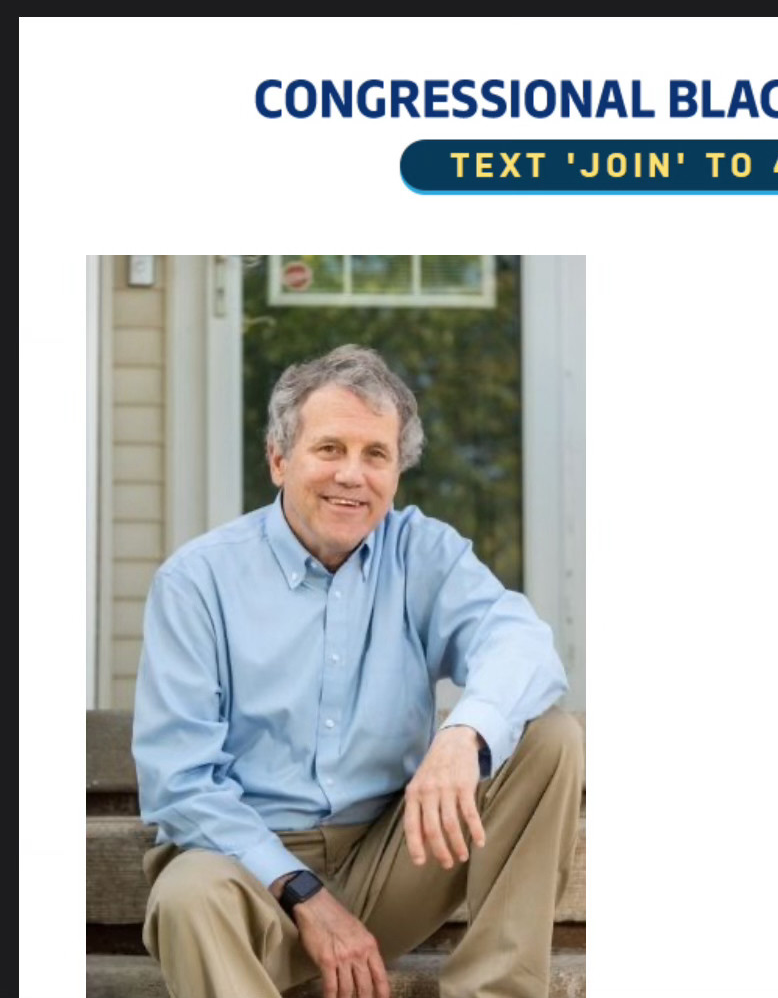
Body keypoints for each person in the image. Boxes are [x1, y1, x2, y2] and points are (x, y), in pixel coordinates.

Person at [131, 343, 583, 998]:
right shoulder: (197, 581)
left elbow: (524, 644)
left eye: (376, 454)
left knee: (548, 737)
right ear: (279, 458)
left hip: (391, 860)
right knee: (187, 893)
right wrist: (305, 893)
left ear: (398, 470)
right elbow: (179, 784)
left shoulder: (423, 551)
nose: (353, 474)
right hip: (244, 879)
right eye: (330, 449)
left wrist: (465, 735)